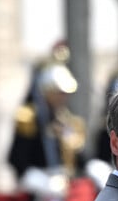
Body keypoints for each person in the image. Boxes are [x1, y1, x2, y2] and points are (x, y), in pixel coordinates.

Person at [7, 41, 87, 181]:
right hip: (41, 187)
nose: (64, 97)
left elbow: (79, 159)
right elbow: (17, 159)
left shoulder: (69, 120)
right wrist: (39, 180)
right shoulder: (29, 118)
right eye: (59, 92)